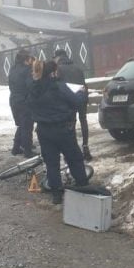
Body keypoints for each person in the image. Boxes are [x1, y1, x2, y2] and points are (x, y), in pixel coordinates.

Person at [28, 60, 89, 204]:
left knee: (52, 163)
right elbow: (76, 102)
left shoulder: (34, 89)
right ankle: (83, 186)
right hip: (63, 129)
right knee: (74, 158)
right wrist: (82, 93)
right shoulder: (59, 87)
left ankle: (56, 195)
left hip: (43, 130)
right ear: (53, 72)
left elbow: (30, 106)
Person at [53, 49, 92, 161]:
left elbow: (59, 85)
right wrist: (85, 97)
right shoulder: (77, 67)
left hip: (69, 98)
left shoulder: (59, 69)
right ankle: (85, 147)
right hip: (82, 95)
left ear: (58, 57)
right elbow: (83, 83)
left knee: (71, 123)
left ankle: (73, 150)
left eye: (55, 57)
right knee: (83, 120)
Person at [8, 49, 36, 157]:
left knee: (21, 124)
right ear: (26, 59)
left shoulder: (13, 69)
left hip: (14, 99)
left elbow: (10, 85)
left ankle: (16, 148)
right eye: (29, 58)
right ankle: (28, 151)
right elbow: (30, 86)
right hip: (24, 100)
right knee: (27, 126)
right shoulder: (27, 70)